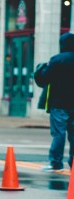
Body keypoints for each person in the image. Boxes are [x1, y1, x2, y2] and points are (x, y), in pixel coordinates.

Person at [34, 32, 74, 172]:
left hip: (59, 103)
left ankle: (56, 163)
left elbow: (43, 79)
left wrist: (40, 69)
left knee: (59, 133)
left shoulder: (57, 60)